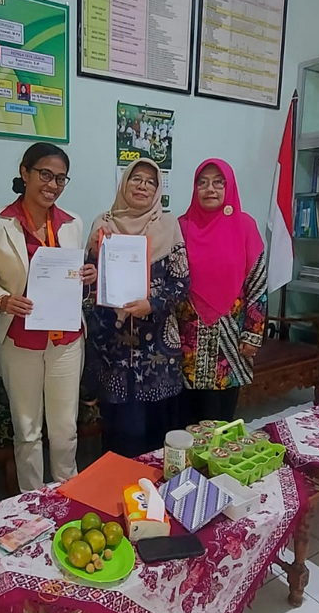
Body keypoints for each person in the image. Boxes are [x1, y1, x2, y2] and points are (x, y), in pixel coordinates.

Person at [0, 144, 97, 491]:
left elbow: (72, 279)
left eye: (60, 178)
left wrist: (86, 277)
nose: (52, 185)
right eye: (45, 174)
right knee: (27, 429)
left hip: (66, 339)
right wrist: (2, 299)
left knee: (65, 428)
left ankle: (67, 492)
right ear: (25, 173)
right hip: (20, 339)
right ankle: (31, 498)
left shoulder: (72, 223)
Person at [85, 159, 190, 457]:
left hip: (156, 350)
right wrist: (92, 265)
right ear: (124, 183)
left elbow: (181, 283)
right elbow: (87, 281)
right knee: (119, 433)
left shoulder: (168, 226)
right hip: (113, 350)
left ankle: (155, 485)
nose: (143, 186)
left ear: (158, 190)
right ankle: (119, 483)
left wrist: (151, 304)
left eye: (151, 182)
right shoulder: (102, 224)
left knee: (157, 433)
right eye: (136, 179)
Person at [177, 159, 266, 423]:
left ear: (229, 188)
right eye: (202, 182)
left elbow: (258, 281)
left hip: (230, 336)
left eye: (218, 182)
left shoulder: (245, 226)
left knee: (219, 419)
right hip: (187, 337)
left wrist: (253, 333)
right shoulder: (181, 226)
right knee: (184, 417)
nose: (210, 189)